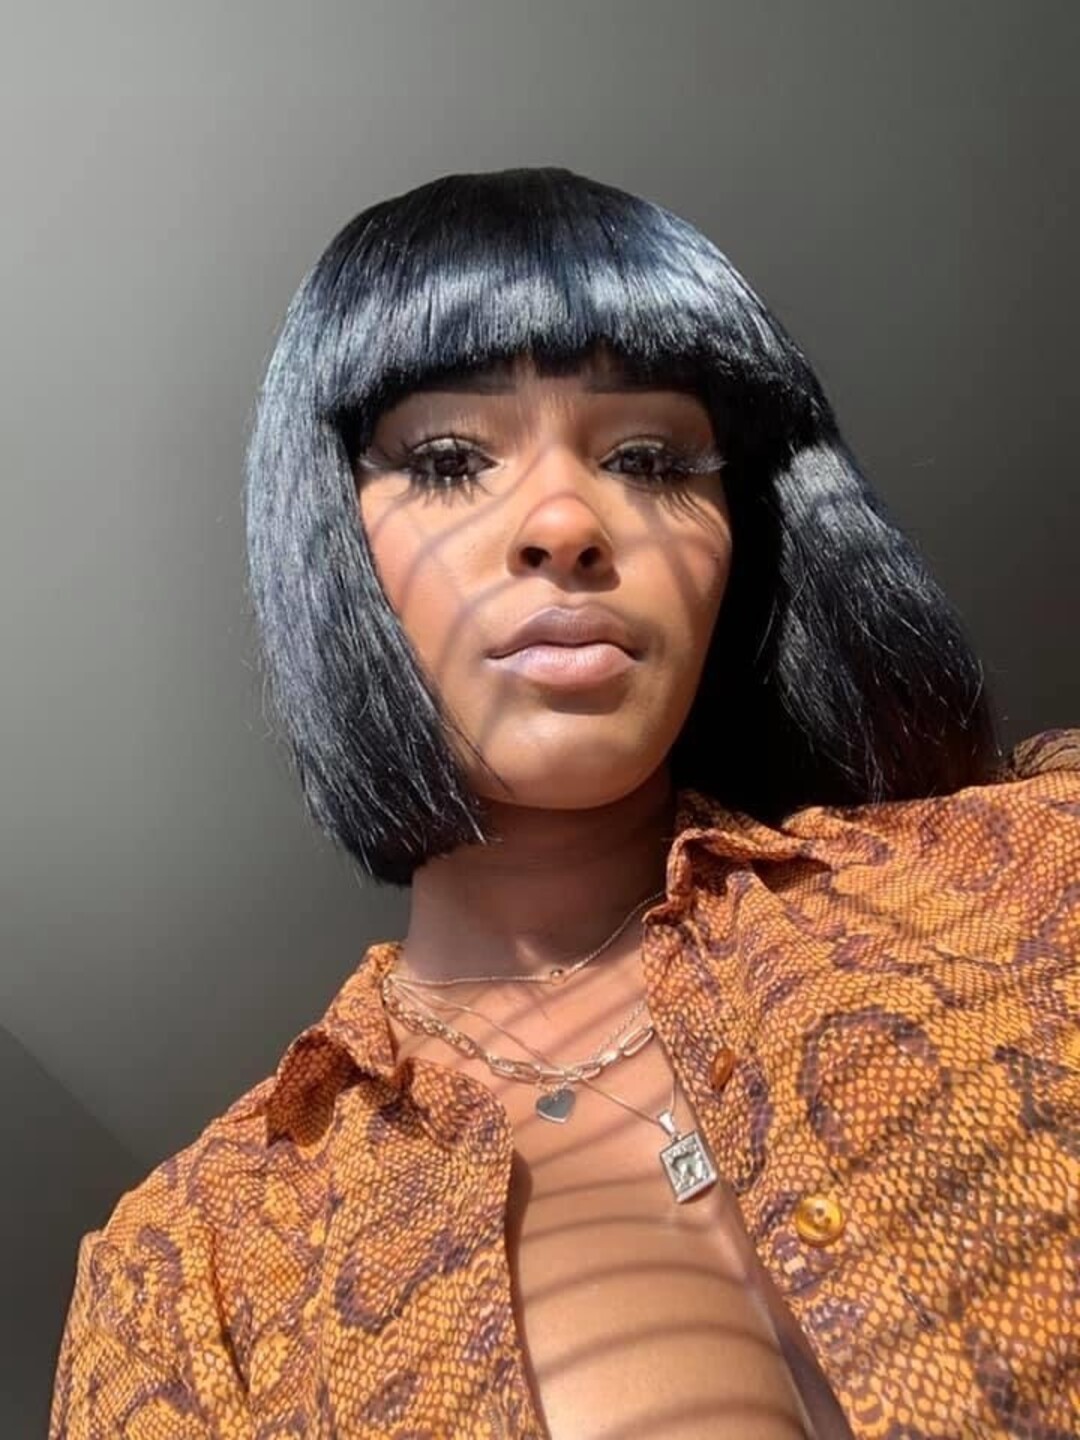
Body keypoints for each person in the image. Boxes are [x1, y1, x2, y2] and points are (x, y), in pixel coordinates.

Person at [49, 166, 1079, 1439]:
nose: (562, 522)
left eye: (648, 457)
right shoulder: (189, 1278)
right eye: (447, 461)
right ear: (329, 541)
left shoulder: (1036, 873)